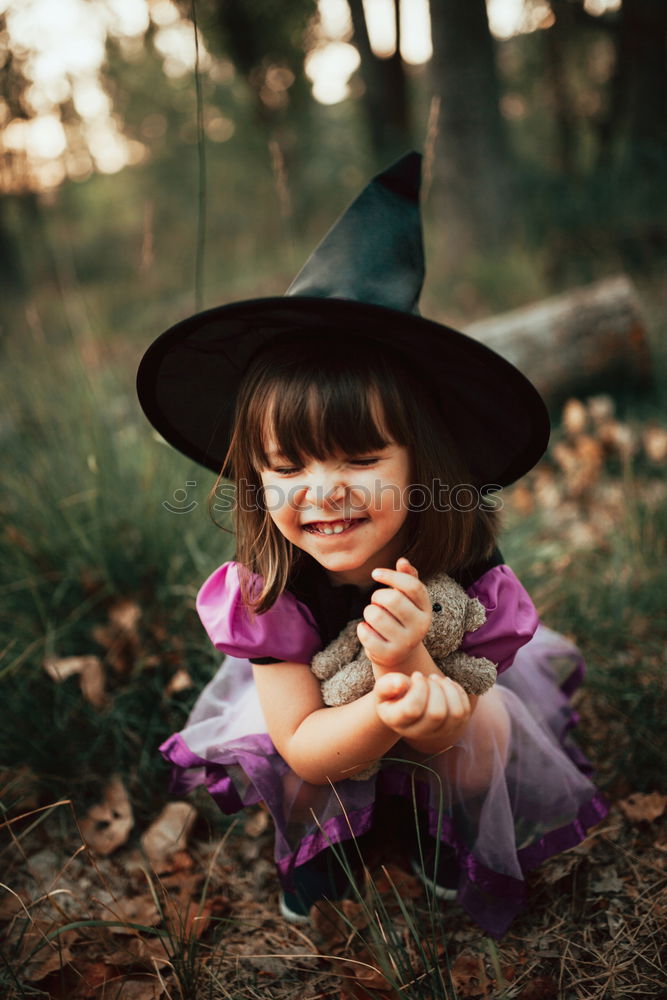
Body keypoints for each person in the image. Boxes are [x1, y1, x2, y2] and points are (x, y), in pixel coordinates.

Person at [137, 152, 608, 937]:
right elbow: (311, 748)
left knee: (483, 737)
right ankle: (329, 841)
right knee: (287, 761)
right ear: (256, 477)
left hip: (438, 707)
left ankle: (429, 820)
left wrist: (417, 680)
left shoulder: (464, 573)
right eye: (287, 466)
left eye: (359, 459)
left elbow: (456, 724)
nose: (321, 491)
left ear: (421, 463)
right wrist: (388, 695)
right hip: (317, 734)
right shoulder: (268, 588)